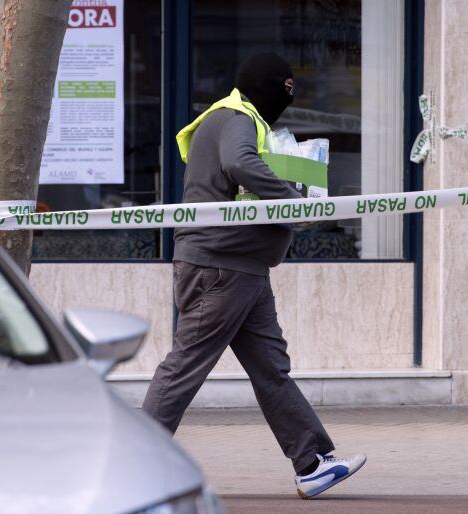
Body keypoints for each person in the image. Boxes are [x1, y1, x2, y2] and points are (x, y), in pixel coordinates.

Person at [141, 53, 365, 499]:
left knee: (271, 370)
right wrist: (291, 202)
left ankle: (312, 463)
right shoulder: (237, 117)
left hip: (242, 268)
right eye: (283, 89)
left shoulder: (239, 117)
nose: (286, 98)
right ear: (265, 87)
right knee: (185, 366)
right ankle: (131, 460)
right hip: (220, 268)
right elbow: (240, 163)